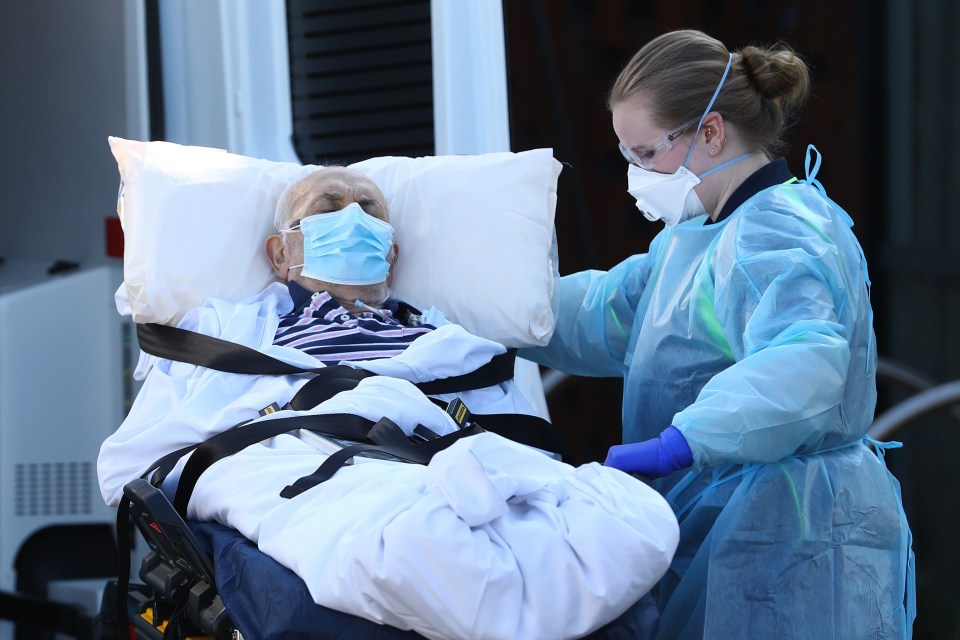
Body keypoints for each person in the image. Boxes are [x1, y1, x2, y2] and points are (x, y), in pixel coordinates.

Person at [98, 165, 680, 640]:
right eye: (328, 207)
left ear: (393, 256)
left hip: (437, 448)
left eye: (369, 209)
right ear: (280, 256)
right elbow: (153, 448)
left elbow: (519, 439)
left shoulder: (455, 346)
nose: (353, 217)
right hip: (304, 460)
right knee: (417, 545)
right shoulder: (225, 334)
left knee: (624, 519)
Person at [520, 29, 915, 639]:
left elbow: (803, 364)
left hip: (792, 529)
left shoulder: (780, 232)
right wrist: (496, 310)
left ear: (710, 131)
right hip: (733, 524)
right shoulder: (694, 240)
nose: (637, 178)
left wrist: (680, 443)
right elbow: (609, 313)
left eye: (647, 155)